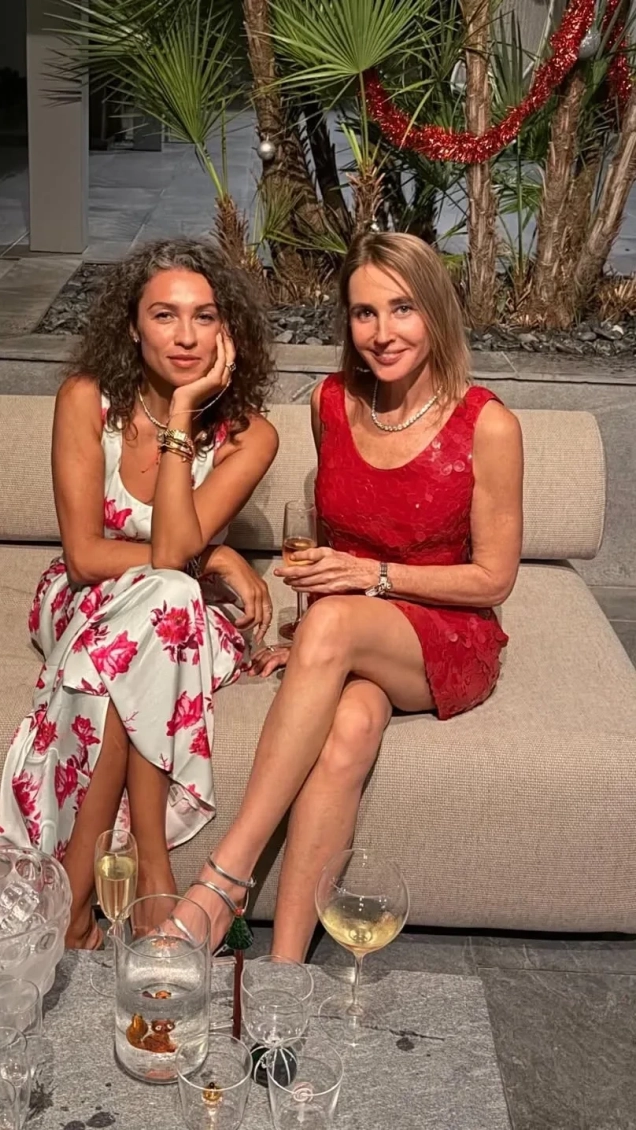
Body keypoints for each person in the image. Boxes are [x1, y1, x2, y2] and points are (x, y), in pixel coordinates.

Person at [180, 231, 524, 959]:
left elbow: (494, 578)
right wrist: (310, 642)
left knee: (336, 625)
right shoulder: (331, 402)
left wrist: (367, 583)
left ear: (435, 311)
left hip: (446, 634)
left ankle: (225, 878)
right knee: (350, 729)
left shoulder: (488, 424)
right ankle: (286, 968)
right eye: (364, 313)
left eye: (402, 309)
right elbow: (330, 542)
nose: (381, 332)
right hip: (355, 630)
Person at [0, 238, 279, 949]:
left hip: (182, 614)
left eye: (204, 317)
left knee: (167, 600)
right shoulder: (85, 401)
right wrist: (215, 554)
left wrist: (183, 416)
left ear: (227, 332)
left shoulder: (250, 437)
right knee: (168, 594)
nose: (186, 336)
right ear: (131, 326)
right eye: (164, 315)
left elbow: (174, 555)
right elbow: (87, 555)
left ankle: (74, 902)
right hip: (88, 597)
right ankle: (152, 862)